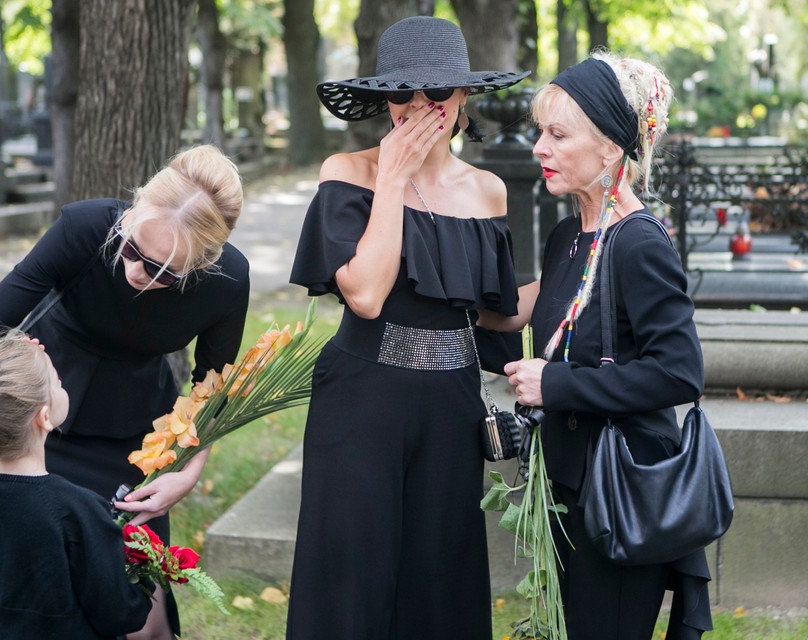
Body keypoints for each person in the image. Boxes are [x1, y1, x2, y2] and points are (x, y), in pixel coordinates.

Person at [286, 16, 528, 639]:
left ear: (464, 97)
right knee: (352, 576)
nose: (419, 109)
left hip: (449, 407)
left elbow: (496, 316)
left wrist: (588, 254)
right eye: (402, 95)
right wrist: (392, 176)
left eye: (437, 94)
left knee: (440, 578)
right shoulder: (349, 171)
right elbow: (364, 294)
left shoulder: (489, 191)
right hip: (363, 398)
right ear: (382, 99)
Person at [0, 144, 249, 639]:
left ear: (203, 263)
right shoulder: (84, 228)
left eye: (163, 271)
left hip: (137, 439)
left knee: (142, 618)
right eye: (132, 249)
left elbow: (212, 389)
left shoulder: (228, 281)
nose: (136, 271)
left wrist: (188, 471)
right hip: (43, 428)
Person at [493, 52, 713, 639]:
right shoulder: (569, 235)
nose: (539, 147)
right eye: (541, 131)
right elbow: (549, 333)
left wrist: (557, 385)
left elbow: (679, 373)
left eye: (558, 134)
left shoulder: (640, 244)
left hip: (622, 494)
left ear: (612, 148)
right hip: (571, 486)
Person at [0, 331, 153, 639]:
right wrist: (143, 579)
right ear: (44, 417)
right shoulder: (77, 509)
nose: (62, 386)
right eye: (57, 383)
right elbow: (120, 613)